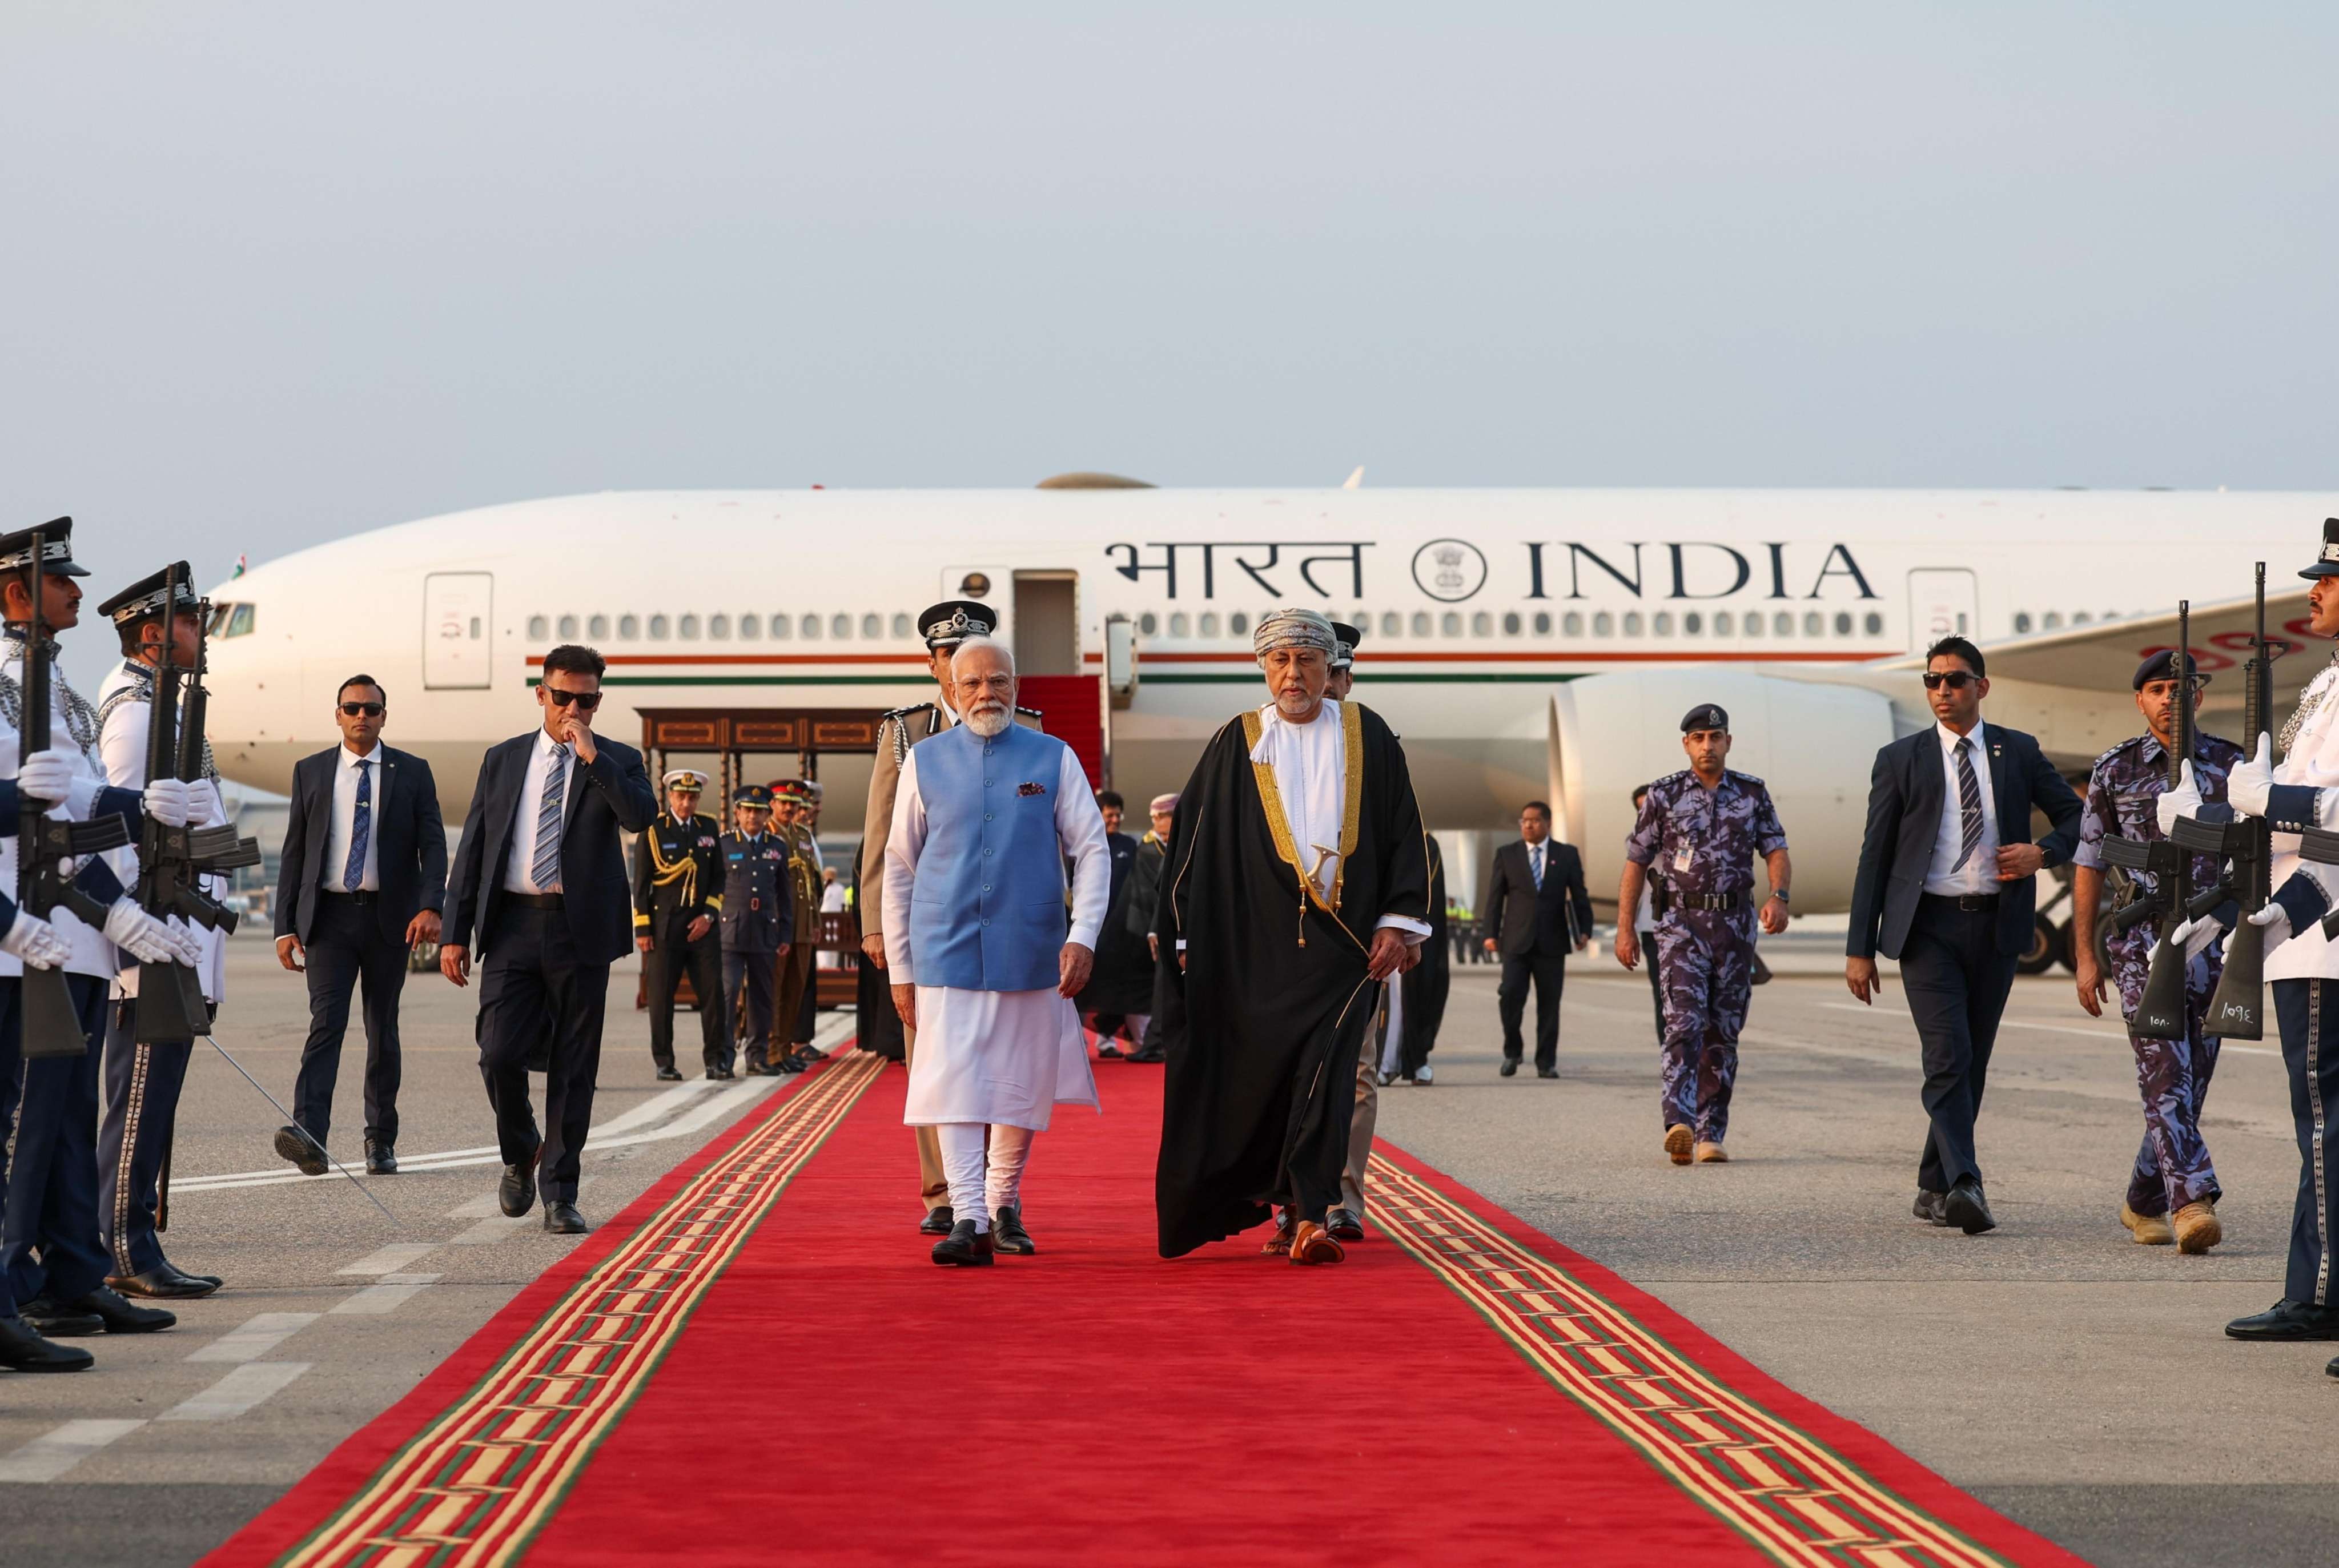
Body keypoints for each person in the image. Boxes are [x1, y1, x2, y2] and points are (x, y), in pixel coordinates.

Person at [1156, 608, 1430, 1265]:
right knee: (1269, 1082)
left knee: (1331, 1078)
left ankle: (1313, 1215)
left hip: (1345, 951)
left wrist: (1399, 921)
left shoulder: (1368, 736)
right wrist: (1184, 940)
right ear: (1263, 667)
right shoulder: (1236, 741)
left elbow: (1403, 834)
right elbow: (1190, 851)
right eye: (1279, 661)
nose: (1292, 674)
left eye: (1305, 660)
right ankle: (1283, 1208)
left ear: (1328, 667)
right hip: (1256, 953)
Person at [0, 520, 196, 1345]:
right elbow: (33, 813)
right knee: (25, 1127)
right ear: (15, 590)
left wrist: (136, 821)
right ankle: (13, 1286)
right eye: (60, 581)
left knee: (68, 1118)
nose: (77, 592)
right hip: (20, 938)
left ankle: (71, 1272)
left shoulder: (61, 691)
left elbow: (78, 811)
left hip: (70, 931)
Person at [2158, 521, 2339, 1353]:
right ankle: (2315, 1289)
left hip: (2327, 940)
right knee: (2320, 1126)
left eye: (2330, 583)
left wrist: (2269, 803)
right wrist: (2206, 818)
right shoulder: (2326, 690)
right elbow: (2288, 821)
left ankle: (2325, 1293)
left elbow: (2322, 814)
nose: (2317, 593)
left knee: (2325, 1125)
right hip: (2306, 924)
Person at [1846, 635, 2083, 1235]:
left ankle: (1931, 1183)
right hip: (1927, 928)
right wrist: (1858, 946)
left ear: (1981, 685)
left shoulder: (2017, 751)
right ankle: (1963, 1183)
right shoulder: (1900, 758)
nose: (1942, 691)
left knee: (1970, 1062)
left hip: (1998, 926)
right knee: (1947, 1055)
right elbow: (1873, 856)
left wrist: (2041, 852)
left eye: (1954, 680)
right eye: (1932, 680)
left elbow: (2079, 819)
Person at [884, 636, 1107, 1265]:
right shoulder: (923, 761)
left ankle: (1004, 1201)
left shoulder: (1053, 756)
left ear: (1017, 686)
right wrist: (901, 968)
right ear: (952, 692)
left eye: (1000, 681)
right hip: (943, 948)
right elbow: (898, 866)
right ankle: (969, 1217)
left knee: (1016, 1083)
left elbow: (1090, 850)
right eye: (974, 683)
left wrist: (1082, 934)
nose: (988, 693)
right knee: (951, 1084)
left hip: (1032, 948)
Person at [441, 644, 657, 1235]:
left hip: (579, 931)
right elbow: (476, 848)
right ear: (541, 694)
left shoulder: (617, 758)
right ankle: (520, 1147)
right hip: (512, 924)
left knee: (574, 1067)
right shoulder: (505, 759)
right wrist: (455, 931)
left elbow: (641, 816)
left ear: (598, 701)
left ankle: (560, 1193)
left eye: (585, 700)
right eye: (562, 697)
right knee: (499, 1053)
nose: (572, 709)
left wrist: (593, 760)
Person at [89, 564, 235, 1298]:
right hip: (150, 936)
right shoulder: (138, 712)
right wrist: (132, 925)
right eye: (188, 623)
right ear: (153, 634)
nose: (200, 635)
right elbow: (116, 830)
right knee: (139, 1096)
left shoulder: (163, 704)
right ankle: (123, 1247)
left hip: (176, 931)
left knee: (152, 1097)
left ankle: (131, 1234)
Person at [2071, 653, 2243, 1253]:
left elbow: (2260, 854)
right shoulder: (2114, 769)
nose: (2169, 697)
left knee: (2191, 1081)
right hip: (2141, 943)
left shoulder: (2233, 765)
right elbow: (2089, 862)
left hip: (2214, 941)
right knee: (2164, 1071)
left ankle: (2141, 1197)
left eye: (2181, 687)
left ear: (2198, 696)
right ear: (2140, 701)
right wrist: (2085, 957)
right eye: (2157, 689)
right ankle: (2189, 1202)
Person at [860, 598, 1022, 1236]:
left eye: (976, 652)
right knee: (933, 1063)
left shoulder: (1024, 724)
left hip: (1008, 926)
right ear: (936, 667)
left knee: (1006, 1061)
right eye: (950, 656)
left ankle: (996, 1191)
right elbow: (883, 837)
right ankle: (945, 1196)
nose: (965, 666)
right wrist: (877, 922)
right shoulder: (905, 732)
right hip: (932, 929)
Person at [271, 673, 446, 1183]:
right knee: (326, 1025)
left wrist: (430, 905)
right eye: (352, 708)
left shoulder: (412, 772)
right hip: (329, 918)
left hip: (390, 920)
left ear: (384, 716)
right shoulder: (312, 771)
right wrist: (285, 925)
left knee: (381, 1029)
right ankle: (310, 1137)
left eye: (371, 709)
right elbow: (295, 852)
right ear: (338, 714)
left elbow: (433, 846)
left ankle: (380, 1140)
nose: (362, 716)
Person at [1615, 706, 1793, 1164]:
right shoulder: (1664, 795)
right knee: (1684, 1024)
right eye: (1698, 737)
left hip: (1734, 930)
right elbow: (1636, 862)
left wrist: (1780, 896)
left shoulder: (1752, 794)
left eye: (1715, 736)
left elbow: (1775, 848)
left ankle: (1710, 1131)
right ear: (1686, 745)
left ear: (1728, 742)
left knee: (1723, 1033)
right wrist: (1624, 930)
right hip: (1680, 928)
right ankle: (1678, 1123)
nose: (1707, 745)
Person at [1482, 802, 1593, 1078]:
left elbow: (1579, 894)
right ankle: (1513, 1051)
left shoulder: (1566, 855)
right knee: (1509, 995)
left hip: (1552, 942)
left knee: (1549, 1004)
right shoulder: (1507, 854)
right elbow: (1495, 898)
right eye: (1524, 821)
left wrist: (1584, 929)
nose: (1528, 825)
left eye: (1534, 820)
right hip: (1515, 942)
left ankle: (1546, 1062)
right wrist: (1489, 933)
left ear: (1548, 823)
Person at [632, 769, 725, 1081]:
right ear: (670, 796)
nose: (687, 803)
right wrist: (643, 929)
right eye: (681, 796)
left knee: (713, 994)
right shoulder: (654, 829)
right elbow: (642, 883)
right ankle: (664, 1061)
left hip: (702, 926)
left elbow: (719, 878)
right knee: (660, 998)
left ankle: (716, 1060)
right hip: (664, 927)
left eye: (693, 797)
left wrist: (709, 916)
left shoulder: (708, 827)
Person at [717, 783, 793, 1076]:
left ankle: (757, 1056)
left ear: (767, 814)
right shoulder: (724, 844)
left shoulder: (777, 847)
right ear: (737, 812)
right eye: (748, 811)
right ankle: (723, 1056)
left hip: (765, 933)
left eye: (760, 812)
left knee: (762, 997)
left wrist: (786, 934)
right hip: (730, 932)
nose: (754, 817)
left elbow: (785, 896)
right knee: (727, 994)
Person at [1079, 790, 1153, 1057]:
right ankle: (1087, 1044)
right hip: (1089, 927)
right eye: (1109, 814)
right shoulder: (1084, 844)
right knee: (1084, 985)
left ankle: (1116, 1042)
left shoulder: (1129, 845)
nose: (1115, 819)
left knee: (1120, 984)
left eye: (1117, 814)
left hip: (1122, 928)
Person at [769, 780, 824, 1072]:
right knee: (774, 990)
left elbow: (810, 886)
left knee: (795, 989)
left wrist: (815, 922)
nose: (790, 808)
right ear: (772, 805)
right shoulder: (766, 834)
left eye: (794, 804)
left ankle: (786, 1046)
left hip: (801, 925)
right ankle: (771, 1049)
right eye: (784, 803)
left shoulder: (802, 835)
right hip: (776, 925)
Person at [1390, 833, 1450, 1086]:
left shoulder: (1426, 843)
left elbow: (1425, 891)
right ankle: (1384, 1063)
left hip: (1407, 930)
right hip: (1373, 930)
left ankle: (1417, 1060)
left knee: (1418, 993)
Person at [1124, 792, 1179, 1065]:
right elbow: (1152, 894)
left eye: (1162, 817)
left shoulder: (1194, 841)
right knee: (1162, 984)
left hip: (1193, 926)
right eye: (1154, 818)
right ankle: (1156, 1041)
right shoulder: (1148, 848)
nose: (1157, 823)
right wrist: (1153, 929)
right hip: (1166, 928)